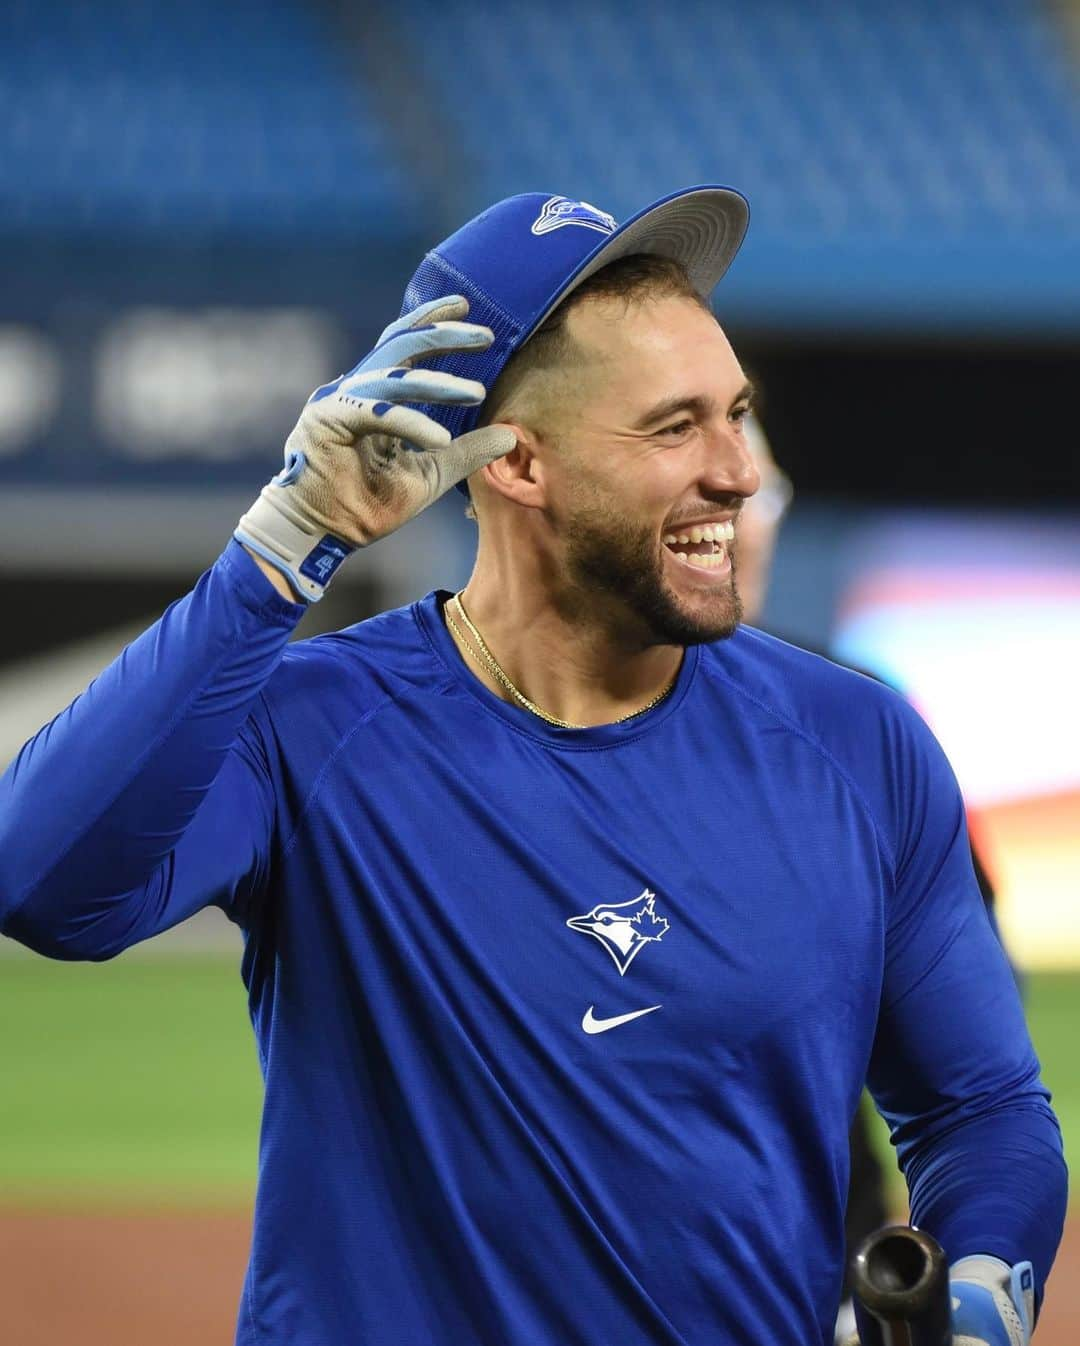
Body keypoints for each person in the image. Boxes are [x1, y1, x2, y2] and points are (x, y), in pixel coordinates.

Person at [0, 189, 1066, 1346]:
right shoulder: (311, 727)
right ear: (516, 465)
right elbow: (45, 885)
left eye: (737, 414)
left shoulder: (857, 743)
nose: (738, 472)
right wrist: (277, 549)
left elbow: (982, 1106)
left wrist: (984, 1280)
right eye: (674, 428)